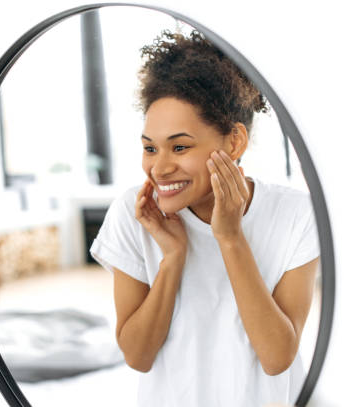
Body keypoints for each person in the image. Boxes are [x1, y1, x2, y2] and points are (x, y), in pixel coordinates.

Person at [90, 30, 319, 407]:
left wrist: (230, 238)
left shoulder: (295, 215)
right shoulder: (135, 214)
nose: (159, 168)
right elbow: (137, 356)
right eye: (150, 148)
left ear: (234, 143)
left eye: (180, 147)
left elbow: (278, 358)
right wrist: (172, 259)